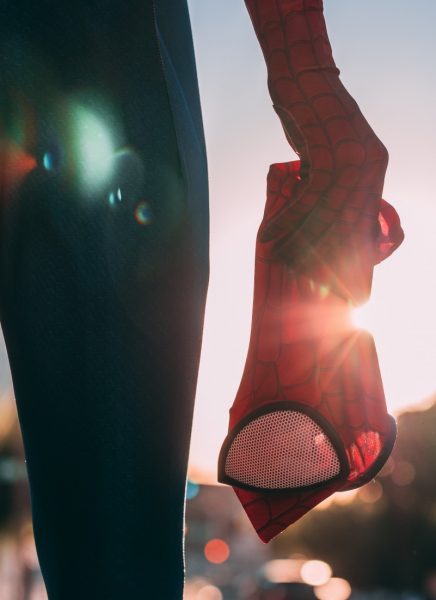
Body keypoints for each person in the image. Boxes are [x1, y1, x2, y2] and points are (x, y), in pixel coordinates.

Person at [0, 0, 392, 597]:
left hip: (101, 53)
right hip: (107, 57)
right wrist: (307, 74)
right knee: (119, 552)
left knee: (117, 553)